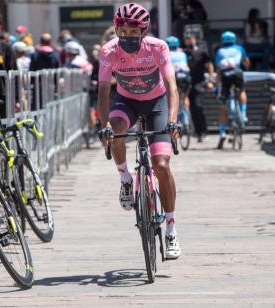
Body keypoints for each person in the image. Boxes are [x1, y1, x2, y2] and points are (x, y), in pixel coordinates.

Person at [97, 3, 181, 259]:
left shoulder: (158, 47)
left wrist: (174, 120)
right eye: (122, 31)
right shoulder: (108, 50)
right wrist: (105, 127)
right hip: (126, 102)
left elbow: (172, 86)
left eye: (133, 32)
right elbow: (102, 92)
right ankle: (125, 178)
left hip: (157, 103)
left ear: (144, 31)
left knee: (162, 164)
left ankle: (171, 228)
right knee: (117, 129)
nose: (127, 37)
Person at [215, 31, 249, 150]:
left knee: (223, 105)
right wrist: (245, 66)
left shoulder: (219, 51)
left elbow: (218, 70)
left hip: (225, 76)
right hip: (237, 73)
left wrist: (217, 84)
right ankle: (243, 114)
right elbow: (246, 62)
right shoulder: (239, 48)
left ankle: (222, 132)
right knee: (242, 90)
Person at [184, 34, 213, 142]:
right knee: (191, 109)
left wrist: (210, 79)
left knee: (198, 106)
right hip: (187, 84)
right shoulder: (183, 53)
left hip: (199, 83)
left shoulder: (202, 51)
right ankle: (197, 131)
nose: (188, 41)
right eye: (187, 39)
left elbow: (209, 64)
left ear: (194, 40)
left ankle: (203, 131)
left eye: (190, 39)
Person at [166, 36, 191, 129]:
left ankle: (173, 118)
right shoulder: (183, 54)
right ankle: (187, 120)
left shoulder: (167, 54)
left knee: (172, 96)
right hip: (185, 78)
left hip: (175, 78)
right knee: (185, 97)